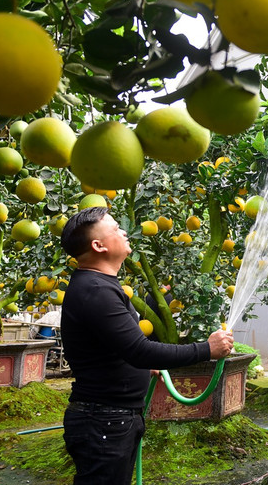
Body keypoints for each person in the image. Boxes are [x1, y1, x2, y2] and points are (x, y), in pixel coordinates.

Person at [59, 206, 234, 485]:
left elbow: (117, 348)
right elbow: (139, 350)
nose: (125, 231)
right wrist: (206, 349)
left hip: (112, 418)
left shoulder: (100, 285)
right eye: (116, 228)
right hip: (103, 420)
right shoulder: (96, 290)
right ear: (98, 245)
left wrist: (142, 369)